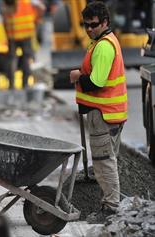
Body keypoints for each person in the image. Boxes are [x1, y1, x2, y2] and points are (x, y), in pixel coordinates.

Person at [69, 1, 127, 224]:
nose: (89, 29)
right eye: (86, 25)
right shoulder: (101, 42)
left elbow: (97, 82)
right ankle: (111, 203)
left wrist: (76, 77)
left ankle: (110, 209)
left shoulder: (103, 46)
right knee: (106, 161)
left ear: (105, 22)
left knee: (104, 163)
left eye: (94, 25)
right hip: (109, 114)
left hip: (104, 115)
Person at [2, 0, 45, 89]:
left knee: (12, 59)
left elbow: (4, 16)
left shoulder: (8, 2)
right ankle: (25, 84)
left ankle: (11, 85)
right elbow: (42, 7)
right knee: (26, 58)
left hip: (12, 34)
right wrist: (36, 20)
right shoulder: (27, 1)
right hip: (26, 33)